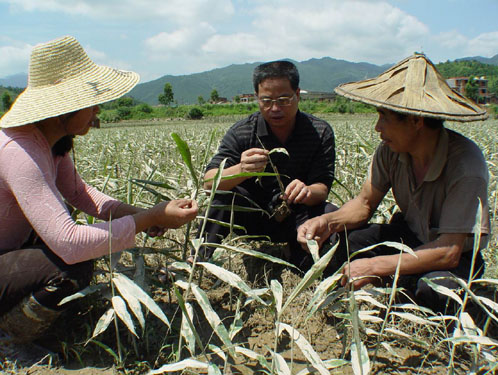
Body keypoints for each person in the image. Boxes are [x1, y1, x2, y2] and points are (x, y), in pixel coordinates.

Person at [0, 36, 198, 346]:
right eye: (91, 102)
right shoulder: (19, 151)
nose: (97, 111)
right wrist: (147, 219)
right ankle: (9, 341)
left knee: (73, 249)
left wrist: (144, 214)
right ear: (65, 107)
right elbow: (69, 243)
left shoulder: (51, 143)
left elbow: (80, 194)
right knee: (69, 264)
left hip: (9, 249)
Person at [297, 53, 490, 313]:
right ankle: (392, 281)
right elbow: (365, 204)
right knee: (343, 245)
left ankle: (403, 289)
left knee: (435, 290)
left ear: (415, 120)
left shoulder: (465, 166)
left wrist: (376, 266)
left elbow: (449, 251)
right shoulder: (390, 151)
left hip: (451, 256)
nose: (378, 127)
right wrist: (326, 223)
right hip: (409, 238)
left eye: (384, 117)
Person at [199, 60, 336, 269]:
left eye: (283, 100)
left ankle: (304, 257)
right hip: (252, 217)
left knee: (331, 214)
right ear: (256, 98)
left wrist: (307, 191)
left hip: (297, 215)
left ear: (297, 95)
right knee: (222, 198)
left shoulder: (319, 132)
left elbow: (322, 188)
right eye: (266, 100)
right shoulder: (242, 132)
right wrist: (242, 170)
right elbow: (209, 182)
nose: (275, 108)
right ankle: (196, 258)